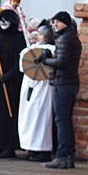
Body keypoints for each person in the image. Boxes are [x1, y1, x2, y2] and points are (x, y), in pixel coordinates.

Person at [36, 11, 82, 169]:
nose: (54, 24)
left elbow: (61, 62)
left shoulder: (64, 38)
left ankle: (62, 156)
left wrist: (45, 59)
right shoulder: (71, 37)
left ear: (64, 22)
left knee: (61, 121)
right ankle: (68, 156)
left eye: (56, 21)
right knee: (66, 121)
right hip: (70, 83)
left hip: (63, 83)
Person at [0, 7, 26, 160]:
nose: (3, 23)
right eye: (1, 20)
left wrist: (9, 75)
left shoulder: (18, 38)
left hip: (10, 85)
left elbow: (21, 62)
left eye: (6, 20)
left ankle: (7, 146)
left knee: (7, 115)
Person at [17, 22, 55, 161]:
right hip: (30, 87)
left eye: (40, 34)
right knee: (29, 118)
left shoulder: (52, 50)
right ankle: (30, 148)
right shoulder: (29, 50)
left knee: (41, 119)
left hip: (44, 88)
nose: (37, 36)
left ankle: (42, 149)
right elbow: (24, 66)